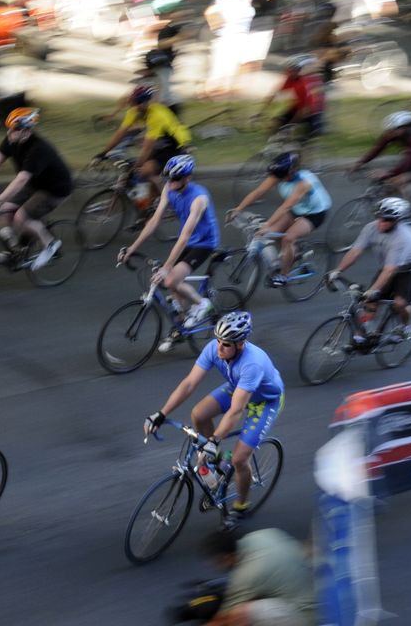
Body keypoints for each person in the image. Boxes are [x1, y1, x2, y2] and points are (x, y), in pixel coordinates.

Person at [144, 312, 284, 531]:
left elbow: (236, 410)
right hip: (239, 388)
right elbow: (189, 383)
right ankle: (218, 465)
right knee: (199, 414)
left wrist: (214, 439)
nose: (219, 348)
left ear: (240, 344)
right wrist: (161, 413)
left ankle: (240, 506)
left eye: (225, 344)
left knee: (239, 459)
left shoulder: (252, 364)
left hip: (264, 402)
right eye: (218, 341)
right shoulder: (214, 348)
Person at [0, 107, 72, 271]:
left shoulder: (38, 149)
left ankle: (51, 245)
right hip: (33, 185)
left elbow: (21, 179)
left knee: (21, 217)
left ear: (26, 131)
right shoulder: (12, 140)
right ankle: (15, 252)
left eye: (15, 129)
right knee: (3, 211)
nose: (10, 133)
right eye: (10, 129)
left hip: (54, 189)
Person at [118, 154, 219, 347]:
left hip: (204, 243)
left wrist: (167, 267)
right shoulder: (169, 188)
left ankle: (202, 304)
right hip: (188, 241)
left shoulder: (199, 198)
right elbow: (154, 221)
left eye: (175, 179)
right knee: (169, 282)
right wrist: (131, 248)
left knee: (170, 279)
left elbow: (185, 236)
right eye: (168, 179)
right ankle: (181, 327)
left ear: (187, 178)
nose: (170, 183)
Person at [328, 197, 411, 338]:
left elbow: (390, 270)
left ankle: (406, 326)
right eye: (380, 217)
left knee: (399, 303)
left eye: (388, 220)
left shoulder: (402, 238)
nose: (382, 222)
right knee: (369, 303)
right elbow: (355, 252)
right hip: (390, 265)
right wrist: (337, 271)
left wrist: (373, 290)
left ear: (397, 220)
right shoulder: (370, 228)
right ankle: (363, 332)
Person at [226, 152, 332, 284]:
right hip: (297, 209)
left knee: (288, 238)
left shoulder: (304, 183)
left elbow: (285, 207)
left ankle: (284, 275)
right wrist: (238, 209)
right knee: (270, 234)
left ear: (291, 172)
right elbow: (258, 192)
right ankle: (292, 253)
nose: (278, 180)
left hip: (314, 213)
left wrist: (266, 225)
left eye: (281, 177)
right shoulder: (279, 174)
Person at [199, 528, 316, 626]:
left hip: (308, 615)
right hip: (320, 590)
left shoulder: (247, 574)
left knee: (242, 612)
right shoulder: (263, 534)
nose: (217, 567)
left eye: (218, 562)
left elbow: (226, 616)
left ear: (227, 557)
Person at [98, 85, 193, 195]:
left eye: (140, 103)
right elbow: (120, 133)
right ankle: (151, 205)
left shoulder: (157, 115)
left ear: (147, 102)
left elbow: (147, 148)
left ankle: (171, 202)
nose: (136, 106)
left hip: (175, 145)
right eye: (135, 103)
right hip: (159, 143)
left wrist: (136, 166)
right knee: (140, 167)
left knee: (145, 170)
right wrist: (103, 153)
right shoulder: (133, 111)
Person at [352, 111, 411, 195]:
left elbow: (409, 162)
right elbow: (378, 148)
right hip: (408, 158)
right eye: (388, 130)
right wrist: (361, 162)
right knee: (385, 190)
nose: (389, 132)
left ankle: (410, 204)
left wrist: (389, 173)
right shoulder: (394, 133)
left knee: (396, 181)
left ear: (403, 128)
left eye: (392, 130)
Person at [257, 55, 324, 139]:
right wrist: (261, 112)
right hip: (298, 106)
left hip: (311, 110)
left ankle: (316, 126)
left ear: (296, 70)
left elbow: (304, 110)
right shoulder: (290, 79)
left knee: (311, 135)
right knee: (278, 121)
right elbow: (274, 95)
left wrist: (291, 123)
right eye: (287, 70)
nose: (286, 72)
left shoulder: (302, 85)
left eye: (289, 70)